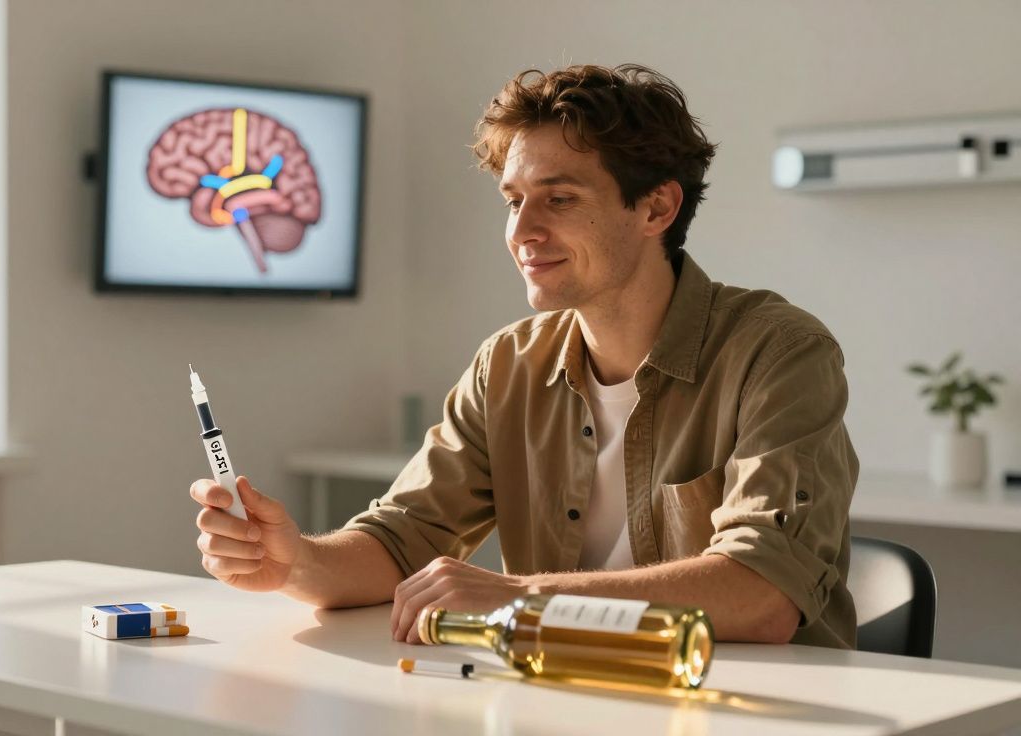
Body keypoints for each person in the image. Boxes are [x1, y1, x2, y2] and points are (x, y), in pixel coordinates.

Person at [189, 63, 859, 648]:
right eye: (514, 201)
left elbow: (765, 594)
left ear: (656, 208)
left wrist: (516, 593)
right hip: (564, 698)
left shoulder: (778, 351)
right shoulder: (508, 364)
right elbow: (401, 541)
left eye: (559, 199)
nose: (522, 231)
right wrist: (294, 561)